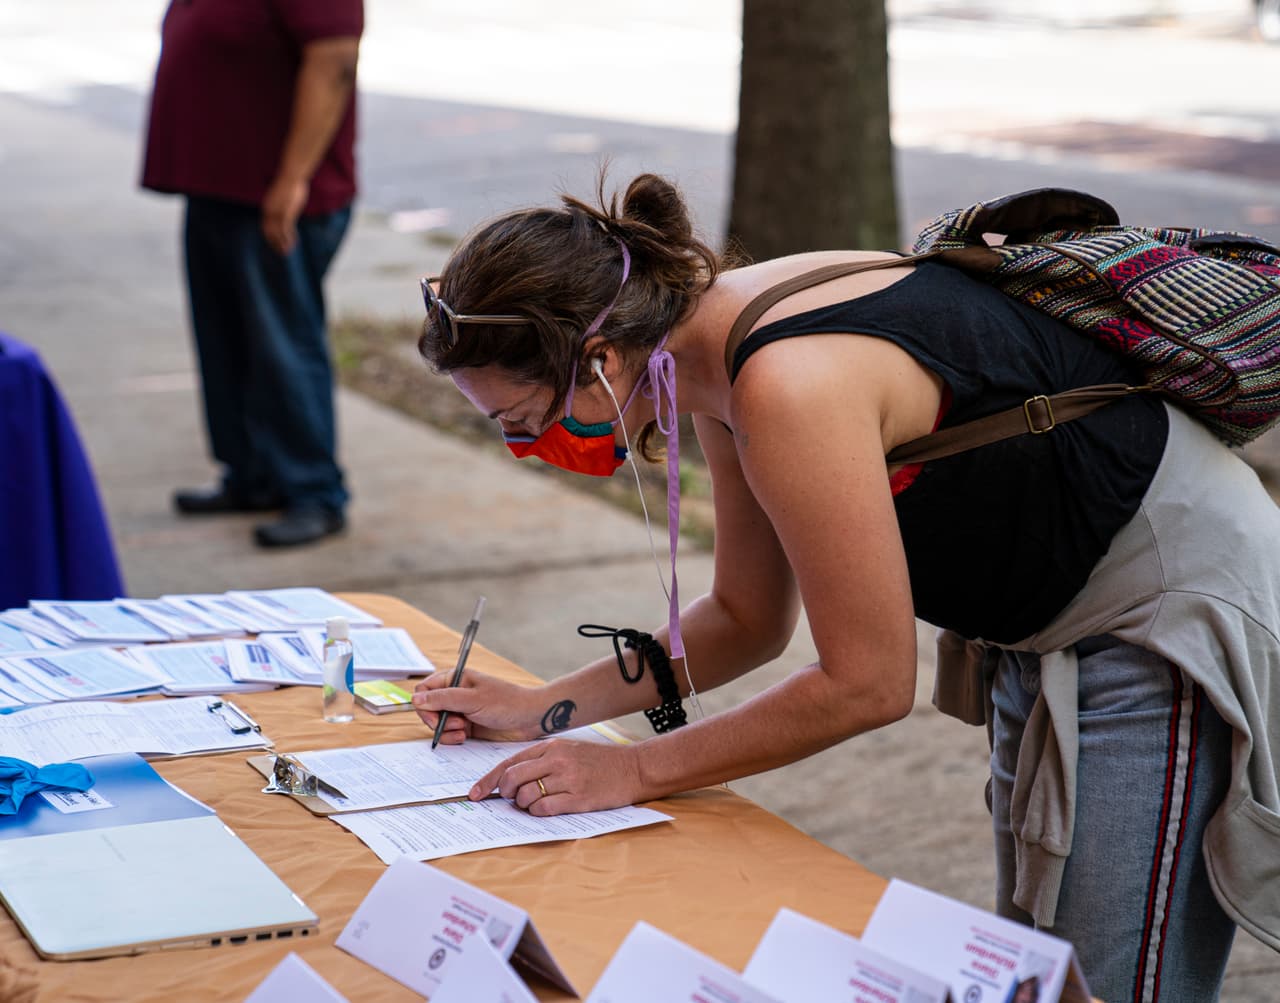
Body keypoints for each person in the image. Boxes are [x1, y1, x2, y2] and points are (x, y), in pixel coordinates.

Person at [410, 173, 1280, 1001]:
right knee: (1038, 969)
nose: (528, 447)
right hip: (1051, 618)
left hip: (1161, 615)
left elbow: (865, 684)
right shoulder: (705, 342)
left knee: (1107, 980)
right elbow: (747, 619)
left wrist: (632, 768)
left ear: (598, 358)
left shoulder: (786, 382)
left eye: (525, 422)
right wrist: (543, 708)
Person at [140, 0, 362, 548]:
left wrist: (292, 178)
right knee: (225, 342)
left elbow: (333, 58)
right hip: (218, 188)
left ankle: (315, 491)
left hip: (275, 197)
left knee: (282, 346)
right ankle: (252, 475)